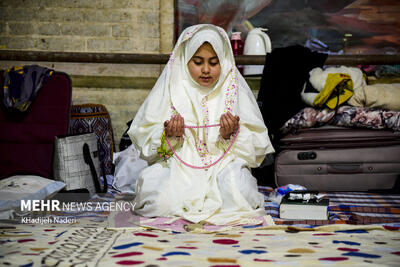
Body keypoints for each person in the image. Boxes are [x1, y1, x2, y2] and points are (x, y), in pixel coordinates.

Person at [128, 24, 274, 225]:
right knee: (159, 200)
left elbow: (257, 150)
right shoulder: (170, 88)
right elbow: (144, 141)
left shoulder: (233, 89)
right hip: (177, 164)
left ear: (223, 61)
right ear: (185, 59)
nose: (206, 70)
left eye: (214, 63)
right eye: (198, 62)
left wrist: (230, 135)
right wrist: (169, 136)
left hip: (224, 165)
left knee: (239, 191)